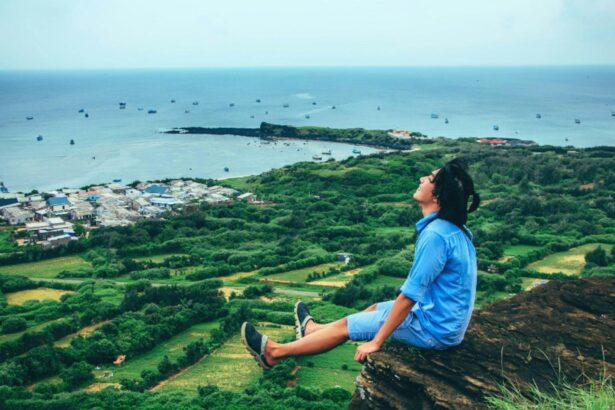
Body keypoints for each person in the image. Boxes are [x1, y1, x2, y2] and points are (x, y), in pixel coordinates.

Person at [241, 158, 481, 370]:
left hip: (434, 330)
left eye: (429, 178)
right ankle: (313, 331)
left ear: (437, 195)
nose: (421, 179)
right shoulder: (455, 230)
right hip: (442, 321)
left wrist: (376, 342)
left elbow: (409, 296)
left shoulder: (435, 236)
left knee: (348, 326)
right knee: (375, 308)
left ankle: (274, 353)